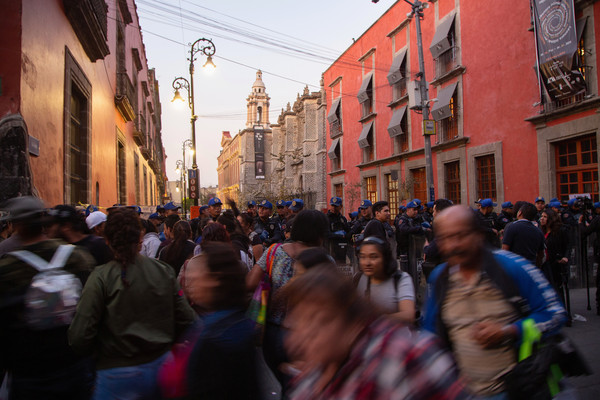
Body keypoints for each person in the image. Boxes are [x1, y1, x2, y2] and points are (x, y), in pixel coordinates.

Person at [424, 205, 567, 397]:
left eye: (460, 235)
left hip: (518, 389)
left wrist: (510, 331)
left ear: (477, 235)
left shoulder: (512, 267)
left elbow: (555, 313)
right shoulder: (439, 278)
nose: (453, 245)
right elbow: (430, 338)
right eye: (445, 238)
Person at [284, 266, 471, 400]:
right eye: (296, 323)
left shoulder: (405, 358)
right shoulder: (311, 378)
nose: (301, 336)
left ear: (351, 321)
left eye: (318, 321)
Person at [68, 208, 196, 400]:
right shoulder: (163, 271)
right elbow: (187, 319)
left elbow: (79, 337)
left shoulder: (100, 277)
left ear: (107, 240)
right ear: (140, 237)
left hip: (115, 373)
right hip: (162, 367)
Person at [0, 196, 95, 399]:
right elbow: (93, 306)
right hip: (73, 362)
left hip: (28, 370)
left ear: (17, 225)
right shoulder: (76, 256)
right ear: (43, 219)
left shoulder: (7, 268)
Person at [246, 209, 328, 388]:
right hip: (305, 335)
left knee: (283, 383)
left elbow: (250, 282)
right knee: (298, 386)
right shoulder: (324, 260)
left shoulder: (274, 251)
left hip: (271, 332)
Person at [178, 243, 259, 398]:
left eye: (195, 279)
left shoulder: (213, 335)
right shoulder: (238, 322)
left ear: (214, 280)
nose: (190, 287)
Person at [356, 236, 415, 323]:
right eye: (363, 257)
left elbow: (408, 315)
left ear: (385, 259)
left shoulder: (401, 279)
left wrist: (377, 320)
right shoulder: (359, 279)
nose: (367, 263)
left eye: (373, 257)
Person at [47, 205, 112, 266]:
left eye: (50, 225)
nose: (46, 229)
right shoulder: (55, 251)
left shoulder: (99, 246)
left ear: (66, 226)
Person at [540, 208, 571, 313]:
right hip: (545, 264)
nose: (542, 219)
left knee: (558, 289)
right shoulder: (542, 231)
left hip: (557, 263)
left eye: (545, 217)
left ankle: (562, 312)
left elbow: (568, 245)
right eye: (542, 216)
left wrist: (565, 257)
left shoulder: (561, 230)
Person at [502, 202, 545, 266]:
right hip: (531, 267)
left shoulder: (511, 227)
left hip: (515, 267)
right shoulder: (538, 231)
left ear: (519, 213)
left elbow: (504, 250)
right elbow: (541, 254)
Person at [326, 196, 349, 263]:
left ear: (340, 206)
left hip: (342, 249)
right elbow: (326, 234)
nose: (333, 208)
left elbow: (348, 230)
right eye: (332, 205)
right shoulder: (326, 218)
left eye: (336, 206)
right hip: (330, 249)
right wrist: (339, 235)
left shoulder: (342, 219)